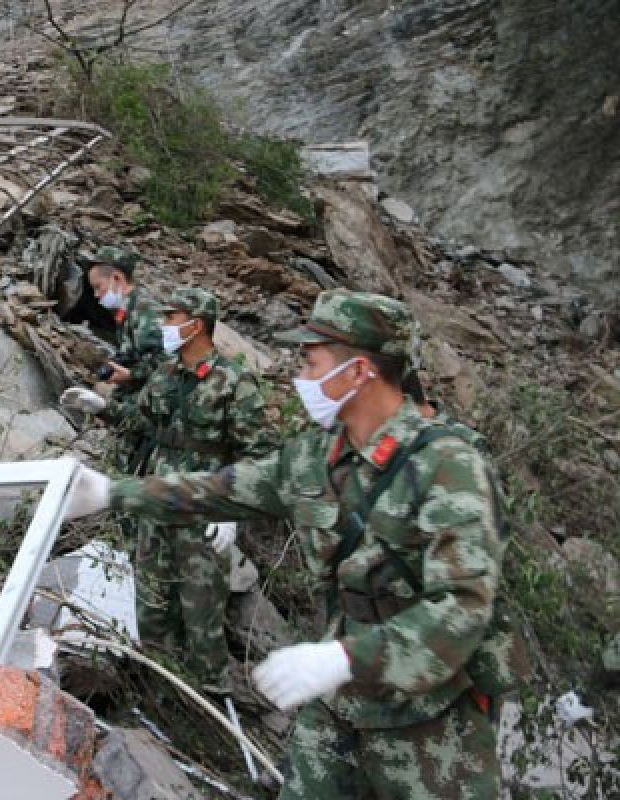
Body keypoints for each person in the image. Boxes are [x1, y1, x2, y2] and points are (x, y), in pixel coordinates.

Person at [63, 289, 506, 799]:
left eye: (311, 362)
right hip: (337, 707)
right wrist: (112, 493)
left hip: (430, 720)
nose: (302, 377)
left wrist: (342, 658)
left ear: (359, 371)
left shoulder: (448, 464)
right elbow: (219, 488)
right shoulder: (317, 456)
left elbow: (463, 607)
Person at [61, 288, 273, 691]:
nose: (164, 326)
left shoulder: (233, 381)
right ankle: (160, 688)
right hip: (156, 496)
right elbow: (141, 421)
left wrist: (233, 511)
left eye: (172, 318)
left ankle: (211, 694)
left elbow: (260, 455)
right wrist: (102, 407)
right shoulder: (165, 374)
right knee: (151, 595)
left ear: (197, 324)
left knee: (201, 600)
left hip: (203, 502)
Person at [83, 245, 165, 473]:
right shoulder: (128, 313)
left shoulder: (145, 313)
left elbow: (167, 364)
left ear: (117, 278)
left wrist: (131, 375)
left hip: (153, 413)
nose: (97, 295)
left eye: (98, 287)